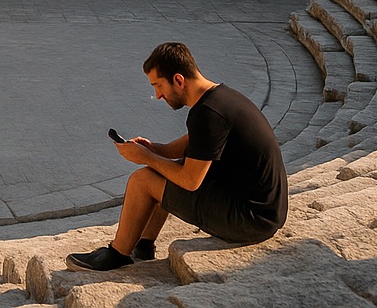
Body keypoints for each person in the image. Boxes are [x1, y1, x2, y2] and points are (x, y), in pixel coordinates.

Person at [66, 41, 288, 271]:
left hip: (250, 219)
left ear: (179, 80)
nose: (158, 95)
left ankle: (117, 254)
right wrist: (156, 150)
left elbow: (190, 181)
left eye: (158, 86)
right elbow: (196, 144)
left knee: (143, 180)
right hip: (265, 211)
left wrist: (147, 158)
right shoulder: (220, 98)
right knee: (165, 169)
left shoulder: (207, 115)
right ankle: (143, 245)